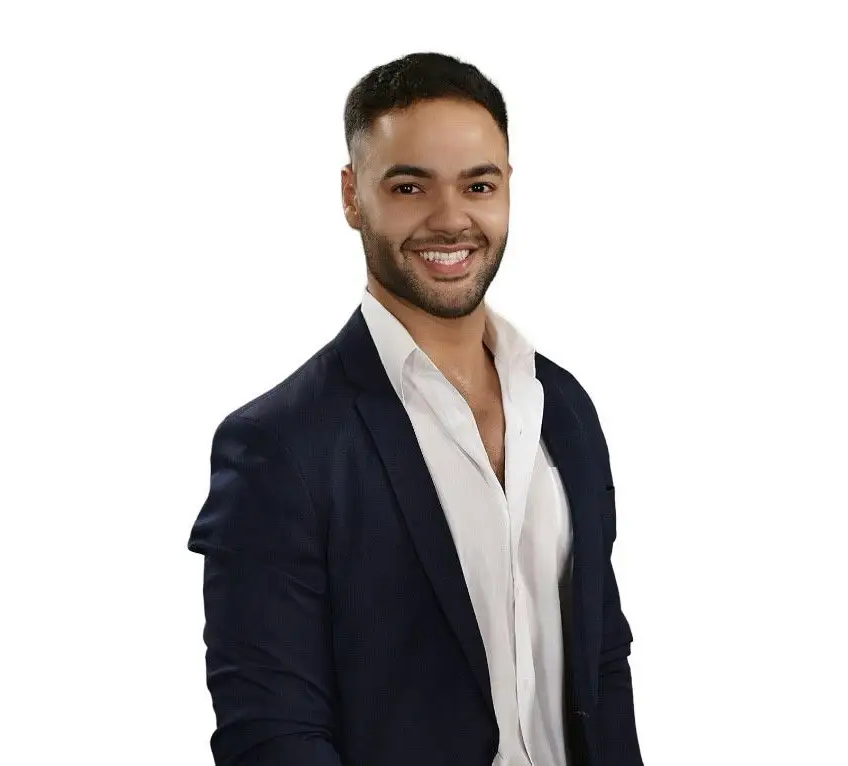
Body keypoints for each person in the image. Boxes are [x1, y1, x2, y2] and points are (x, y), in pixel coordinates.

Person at [187, 51, 644, 766]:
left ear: (507, 189)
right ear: (352, 194)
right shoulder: (279, 446)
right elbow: (270, 735)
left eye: (478, 184)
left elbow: (601, 661)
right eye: (409, 187)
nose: (451, 218)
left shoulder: (564, 408)